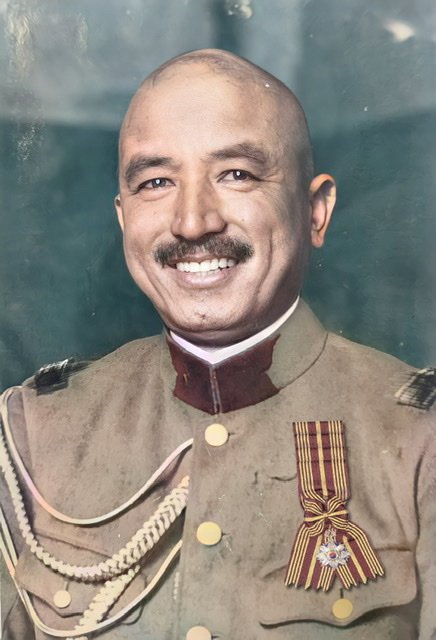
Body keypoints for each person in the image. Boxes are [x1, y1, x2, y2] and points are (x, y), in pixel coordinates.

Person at [0, 49, 434, 640]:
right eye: (156, 182)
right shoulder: (34, 431)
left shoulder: (419, 439)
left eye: (236, 174)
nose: (193, 222)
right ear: (124, 219)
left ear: (315, 212)